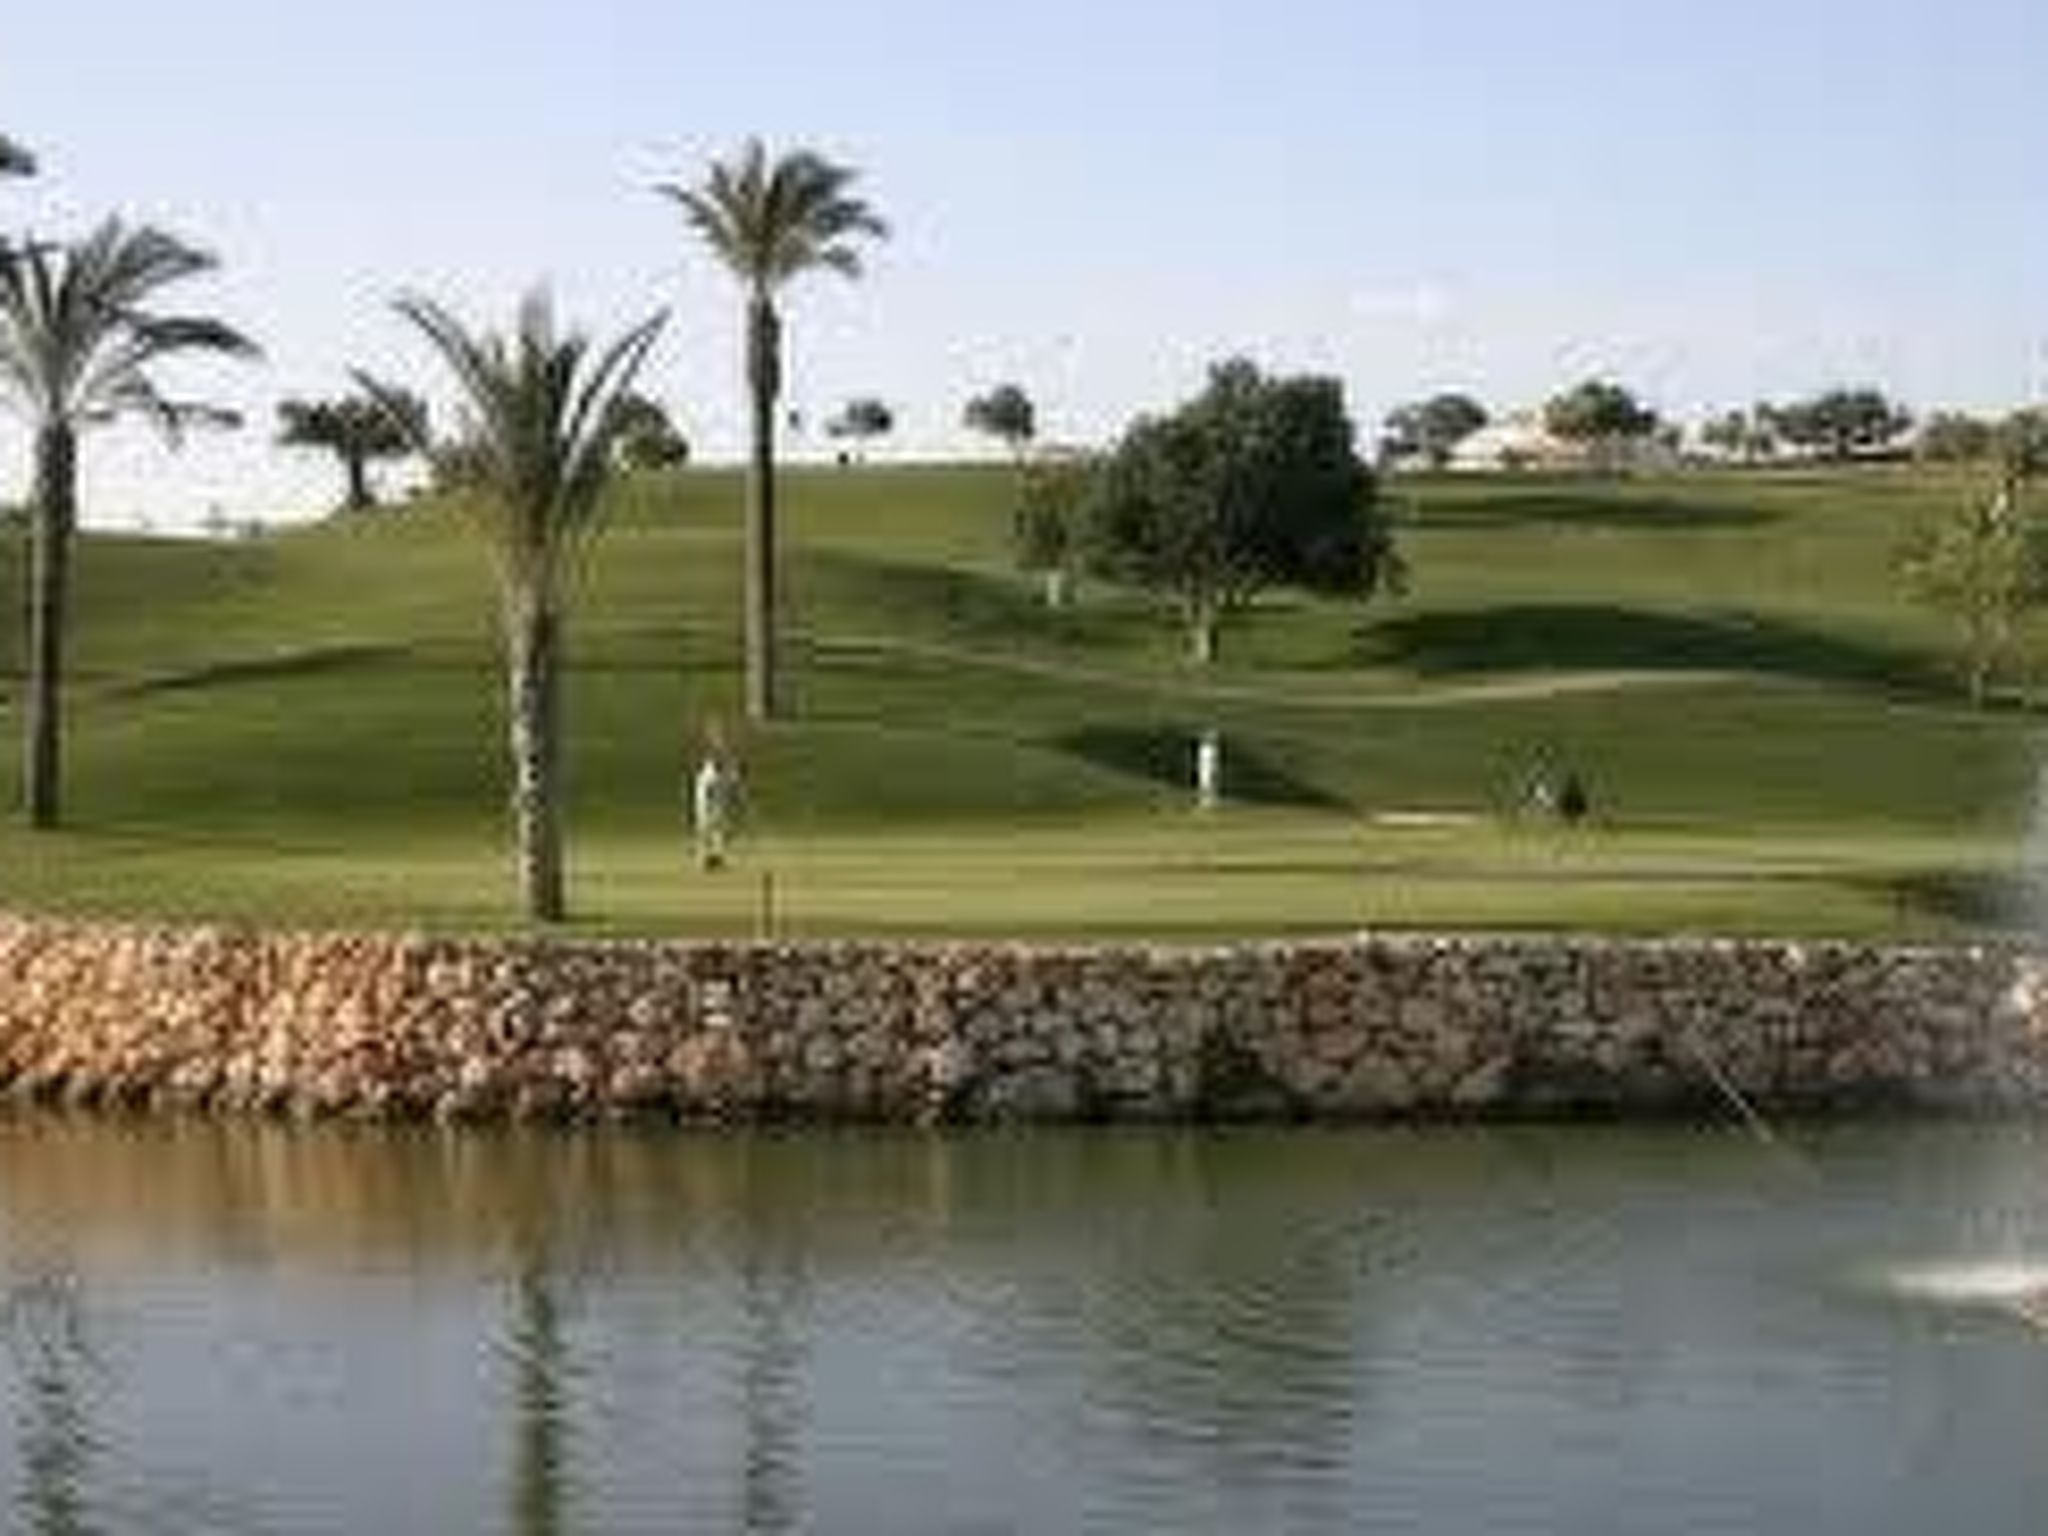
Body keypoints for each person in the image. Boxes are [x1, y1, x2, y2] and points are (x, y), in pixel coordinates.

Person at [689, 732, 738, 871]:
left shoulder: (724, 771)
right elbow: (709, 791)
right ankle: (702, 858)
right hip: (706, 804)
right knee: (704, 830)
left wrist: (732, 779)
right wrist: (728, 781)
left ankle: (718, 857)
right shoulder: (708, 773)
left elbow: (729, 783)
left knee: (720, 830)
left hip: (717, 804)